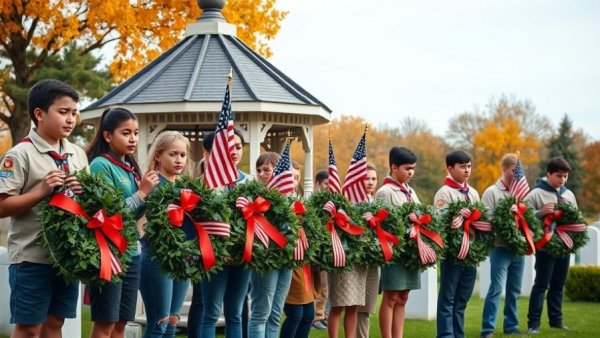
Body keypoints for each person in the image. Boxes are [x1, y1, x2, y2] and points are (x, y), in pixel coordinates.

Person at [0, 79, 87, 338]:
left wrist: (86, 194)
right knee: (28, 329)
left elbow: (89, 205)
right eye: (63, 112)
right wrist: (41, 191)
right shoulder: (18, 155)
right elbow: (2, 205)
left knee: (55, 325)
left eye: (73, 113)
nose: (71, 119)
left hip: (67, 258)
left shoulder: (78, 155)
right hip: (31, 259)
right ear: (39, 114)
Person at [87, 107, 160, 338]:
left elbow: (134, 214)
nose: (133, 139)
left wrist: (151, 199)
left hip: (132, 252)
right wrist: (142, 193)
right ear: (108, 136)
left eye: (136, 133)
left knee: (120, 324)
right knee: (105, 324)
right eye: (126, 133)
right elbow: (109, 215)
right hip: (110, 253)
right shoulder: (100, 165)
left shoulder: (130, 168)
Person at [197, 131, 252, 338]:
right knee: (210, 313)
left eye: (238, 147)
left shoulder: (250, 182)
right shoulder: (205, 182)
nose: (234, 151)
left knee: (235, 314)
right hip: (214, 257)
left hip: (242, 257)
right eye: (229, 147)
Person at [139, 131, 192, 337]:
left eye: (182, 154)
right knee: (158, 324)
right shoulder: (152, 183)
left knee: (172, 323)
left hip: (181, 260)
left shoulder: (184, 187)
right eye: (173, 154)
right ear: (158, 155)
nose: (179, 159)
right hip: (156, 258)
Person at [525, 157, 577, 334]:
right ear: (548, 174)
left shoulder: (568, 195)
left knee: (558, 285)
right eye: (559, 176)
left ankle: (556, 321)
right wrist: (540, 213)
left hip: (564, 245)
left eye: (565, 176)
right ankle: (533, 324)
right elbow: (523, 218)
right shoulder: (536, 194)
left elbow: (576, 218)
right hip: (545, 246)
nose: (562, 180)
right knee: (541, 284)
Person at [434, 151, 480, 338]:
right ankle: (446, 335)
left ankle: (458, 334)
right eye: (462, 166)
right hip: (453, 254)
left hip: (471, 253)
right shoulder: (444, 193)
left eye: (469, 166)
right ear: (450, 168)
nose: (467, 170)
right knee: (448, 297)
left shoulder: (474, 193)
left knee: (462, 298)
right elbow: (440, 223)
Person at [377, 146, 420, 338]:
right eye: (407, 168)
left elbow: (421, 214)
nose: (411, 172)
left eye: (413, 168)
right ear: (394, 167)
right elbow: (384, 223)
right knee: (391, 297)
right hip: (394, 251)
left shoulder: (410, 191)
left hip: (411, 252)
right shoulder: (385, 192)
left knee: (403, 297)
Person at [249, 151, 294, 338]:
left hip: (286, 260)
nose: (261, 174)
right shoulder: (255, 199)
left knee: (275, 315)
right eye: (258, 170)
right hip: (265, 260)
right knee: (261, 314)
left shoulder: (290, 200)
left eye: (266, 169)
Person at [480, 153, 524, 338]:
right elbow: (486, 219)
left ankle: (511, 326)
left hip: (518, 248)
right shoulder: (492, 192)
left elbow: (526, 218)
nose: (517, 174)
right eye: (514, 170)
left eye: (519, 170)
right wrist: (506, 218)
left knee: (514, 289)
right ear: (504, 169)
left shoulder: (521, 192)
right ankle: (487, 329)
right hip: (500, 248)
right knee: (496, 288)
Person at [280, 163, 315, 338]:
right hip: (291, 262)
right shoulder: (281, 202)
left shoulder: (301, 201)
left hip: (304, 262)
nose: (293, 182)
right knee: (296, 314)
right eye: (290, 177)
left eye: (296, 178)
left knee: (308, 315)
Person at [356, 164, 380, 338]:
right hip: (356, 260)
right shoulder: (352, 201)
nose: (370, 182)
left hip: (373, 260)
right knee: (354, 306)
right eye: (366, 178)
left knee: (368, 307)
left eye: (373, 178)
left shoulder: (378, 202)